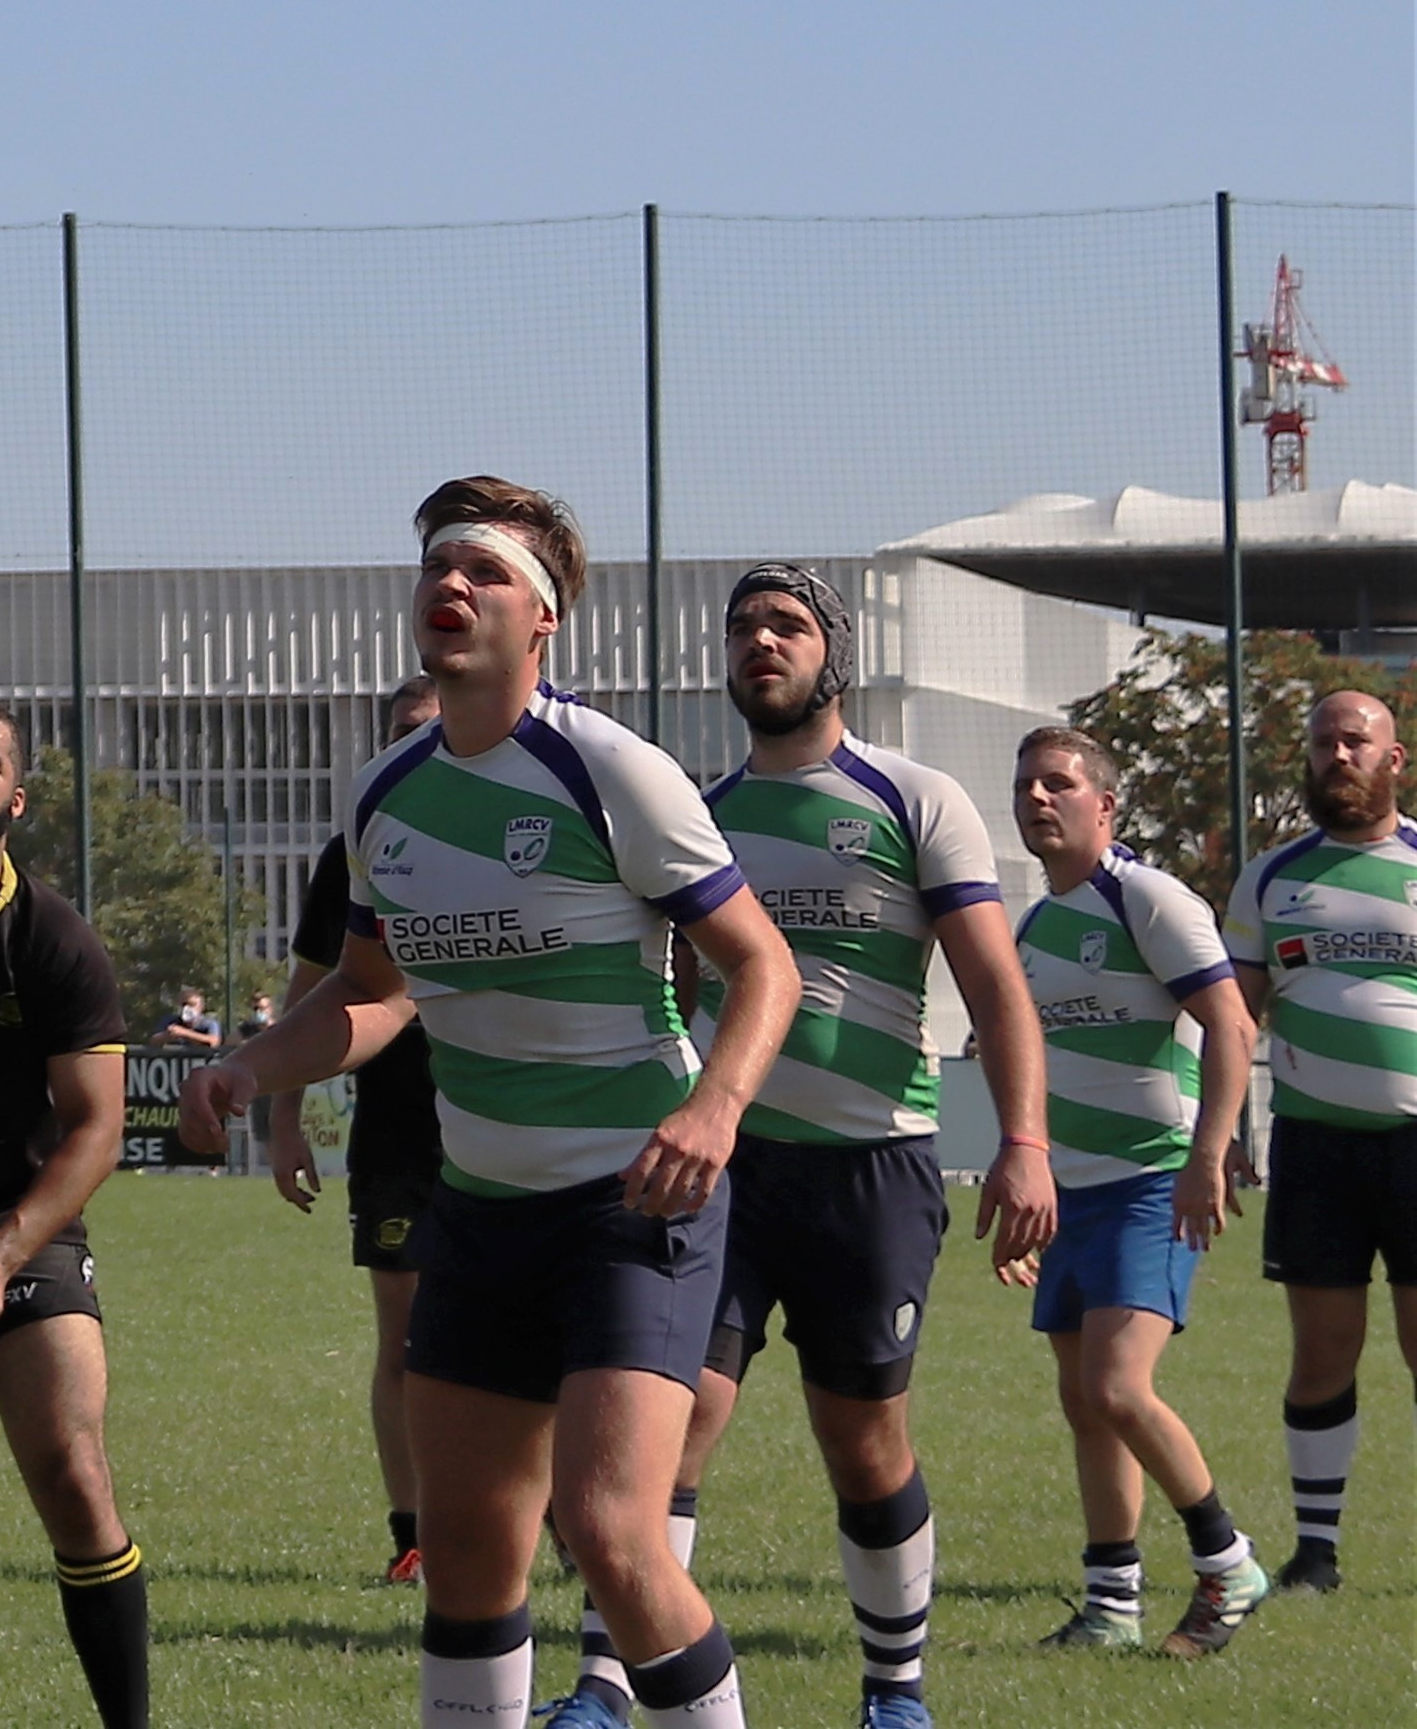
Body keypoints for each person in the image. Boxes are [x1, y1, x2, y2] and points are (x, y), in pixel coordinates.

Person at [181, 478, 798, 1729]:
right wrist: (256, 1063)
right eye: (434, 568)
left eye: (483, 572)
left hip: (632, 1203)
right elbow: (367, 990)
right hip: (480, 1208)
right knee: (463, 1552)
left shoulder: (610, 769)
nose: (448, 587)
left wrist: (713, 1108)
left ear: (543, 617)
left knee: (612, 1534)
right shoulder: (383, 797)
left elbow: (761, 965)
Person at [559, 564, 1054, 1729]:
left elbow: (994, 986)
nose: (758, 644)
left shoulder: (913, 794)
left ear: (830, 653)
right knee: (664, 1416)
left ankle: (893, 1690)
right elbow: (673, 988)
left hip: (870, 1168)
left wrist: (1024, 1142)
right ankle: (599, 1683)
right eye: (740, 629)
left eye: (784, 625)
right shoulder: (694, 807)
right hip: (712, 1167)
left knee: (860, 1433)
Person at [1006, 724, 1268, 1657]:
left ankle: (1226, 1559)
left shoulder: (1146, 897)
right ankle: (1110, 1604)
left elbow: (1230, 1026)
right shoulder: (1032, 927)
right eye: (1026, 784)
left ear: (1104, 805)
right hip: (1072, 1193)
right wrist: (1029, 1182)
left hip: (1150, 1181)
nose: (1037, 798)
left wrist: (1210, 1153)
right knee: (1085, 1400)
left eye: (1059, 784)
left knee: (1119, 1387)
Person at [0, 696, 152, 1729]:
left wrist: (1, 1253)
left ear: (16, 795)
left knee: (71, 1471)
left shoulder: (53, 938)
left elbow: (94, 1128)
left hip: (18, 1224)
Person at [1224, 684, 1417, 1596]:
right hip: (1313, 1148)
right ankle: (1314, 1551)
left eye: (1354, 742)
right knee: (1322, 1349)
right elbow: (1235, 1020)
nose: (1336, 756)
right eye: (1321, 743)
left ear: (1393, 758)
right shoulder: (1268, 875)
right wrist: (1220, 1130)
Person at [272, 674, 448, 1587]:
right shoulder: (356, 847)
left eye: (425, 729)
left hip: (508, 1120)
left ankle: (562, 1521)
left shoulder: (512, 826)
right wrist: (281, 1114)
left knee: (536, 1332)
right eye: (394, 733)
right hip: (395, 1133)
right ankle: (412, 1530)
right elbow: (311, 990)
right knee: (406, 1338)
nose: (407, 746)